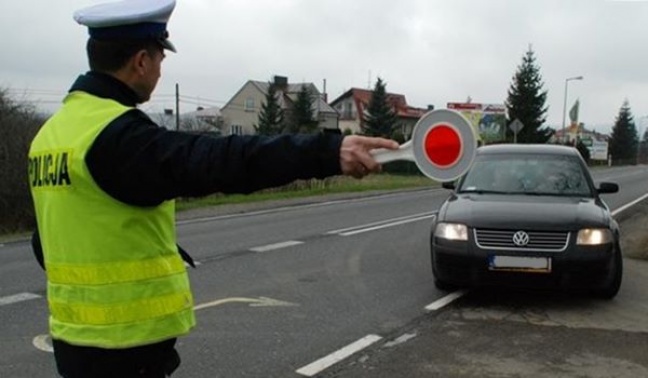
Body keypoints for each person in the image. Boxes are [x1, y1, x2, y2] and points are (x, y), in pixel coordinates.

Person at [27, 0, 399, 377]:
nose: (158, 72)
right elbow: (223, 160)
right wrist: (327, 151)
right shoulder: (117, 136)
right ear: (141, 61)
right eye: (159, 60)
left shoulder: (52, 135)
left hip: (74, 339)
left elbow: (50, 237)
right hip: (124, 346)